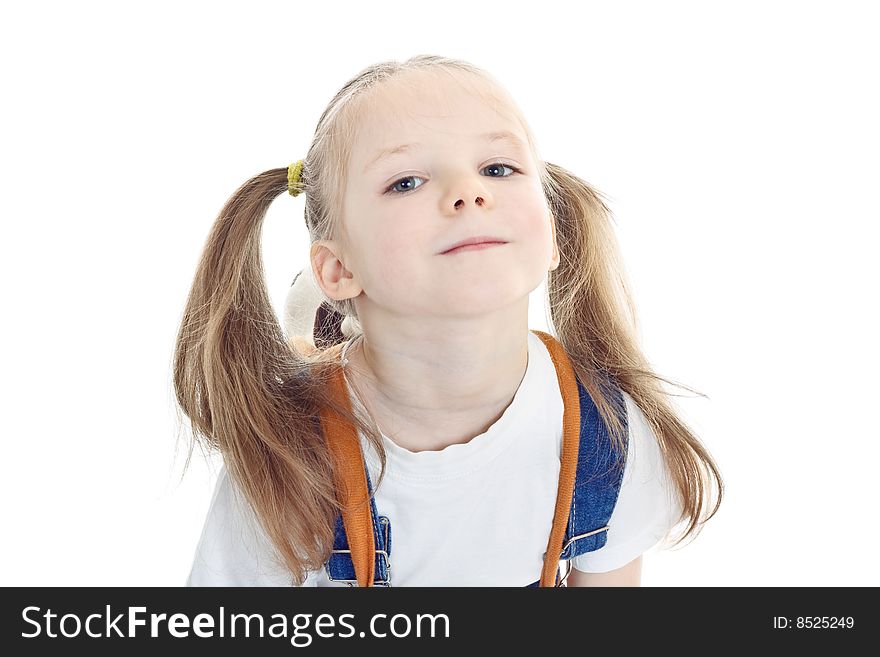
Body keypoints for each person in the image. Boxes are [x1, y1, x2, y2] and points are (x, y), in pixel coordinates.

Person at [174, 54, 723, 587]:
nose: (469, 191)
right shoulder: (290, 458)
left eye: (498, 168)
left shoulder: (612, 435)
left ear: (552, 234)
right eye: (406, 181)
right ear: (338, 268)